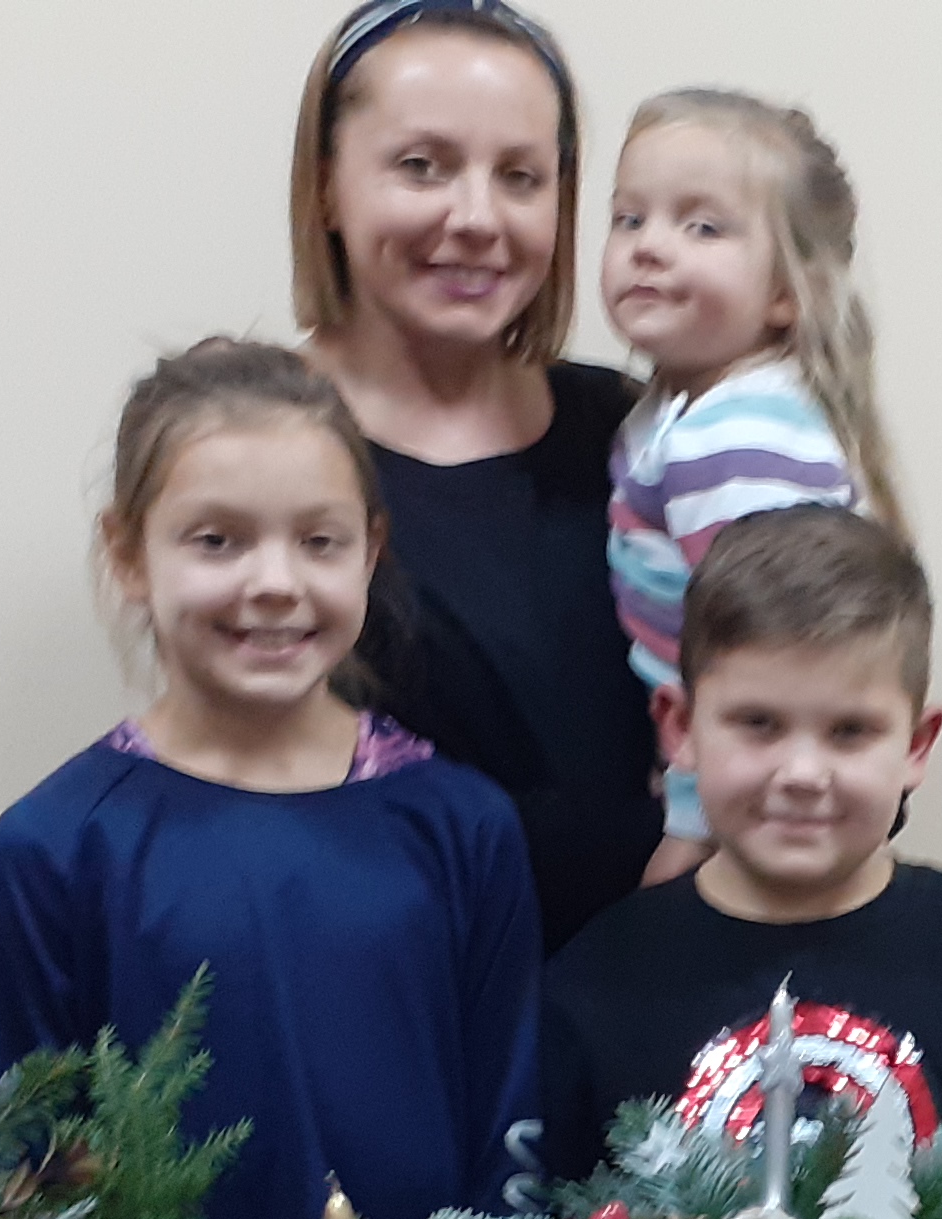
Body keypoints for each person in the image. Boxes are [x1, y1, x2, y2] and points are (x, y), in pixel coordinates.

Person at [0, 340, 539, 1219]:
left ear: (371, 550)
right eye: (217, 541)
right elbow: (12, 1171)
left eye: (319, 541)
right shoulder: (57, 845)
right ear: (127, 553)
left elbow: (508, 1143)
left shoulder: (464, 827)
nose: (275, 581)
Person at [538, 507, 942, 1219]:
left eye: (850, 732)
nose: (802, 773)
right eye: (759, 725)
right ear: (680, 727)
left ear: (916, 744)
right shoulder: (597, 978)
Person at [289, 0, 655, 950]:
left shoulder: (640, 435)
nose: (477, 218)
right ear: (327, 185)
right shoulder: (257, 449)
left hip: (638, 1001)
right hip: (378, 995)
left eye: (521, 177)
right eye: (423, 166)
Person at [600, 89, 904, 888]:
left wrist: (695, 827)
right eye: (629, 218)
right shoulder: (685, 413)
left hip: (738, 801)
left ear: (785, 293)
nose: (649, 246)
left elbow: (768, 655)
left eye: (702, 227)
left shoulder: (734, 440)